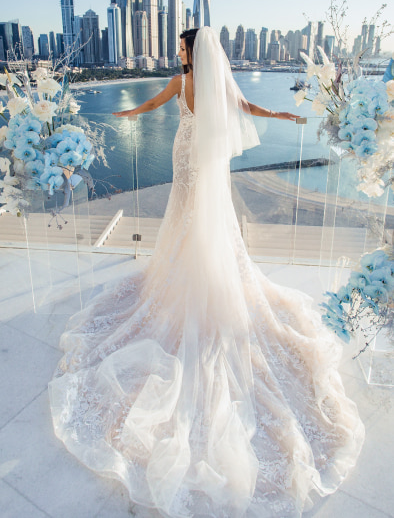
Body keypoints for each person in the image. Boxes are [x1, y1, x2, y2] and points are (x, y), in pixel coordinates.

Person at [49, 27, 364, 518]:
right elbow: (241, 109)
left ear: (193, 51)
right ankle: (192, 268)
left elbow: (155, 105)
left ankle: (183, 272)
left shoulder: (186, 79)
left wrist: (129, 114)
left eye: (181, 46)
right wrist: (276, 114)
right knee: (196, 217)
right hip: (199, 161)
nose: (178, 52)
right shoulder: (207, 78)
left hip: (186, 156)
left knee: (186, 214)